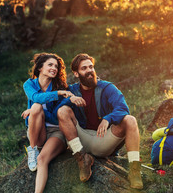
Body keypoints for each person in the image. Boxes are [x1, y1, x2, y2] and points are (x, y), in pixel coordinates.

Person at [56, 53, 143, 189]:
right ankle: (82, 159)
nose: (89, 70)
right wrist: (69, 99)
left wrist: (108, 119)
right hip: (81, 139)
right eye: (84, 68)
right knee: (62, 110)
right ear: (76, 73)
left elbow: (122, 108)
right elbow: (56, 111)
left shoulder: (107, 87)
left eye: (91, 67)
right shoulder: (71, 90)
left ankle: (134, 171)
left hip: (102, 140)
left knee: (130, 120)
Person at [21, 53, 74, 193]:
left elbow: (58, 117)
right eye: (50, 65)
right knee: (36, 105)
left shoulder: (61, 86)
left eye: (56, 66)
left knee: (42, 159)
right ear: (40, 68)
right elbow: (35, 97)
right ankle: (32, 149)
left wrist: (34, 111)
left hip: (56, 131)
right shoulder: (29, 84)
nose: (54, 68)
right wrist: (56, 94)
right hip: (38, 131)